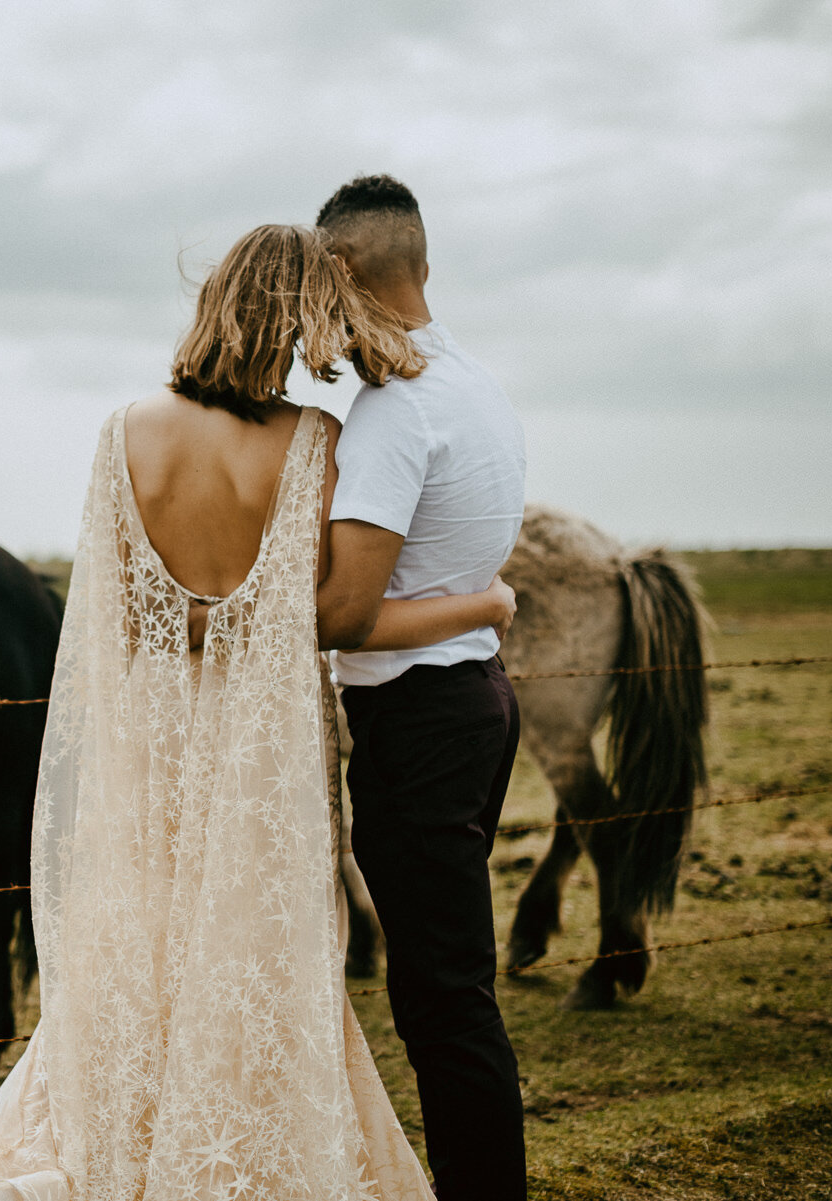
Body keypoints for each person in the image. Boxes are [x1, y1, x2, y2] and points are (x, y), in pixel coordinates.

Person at [0, 224, 513, 1201]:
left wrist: (193, 625)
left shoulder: (126, 431)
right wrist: (489, 603)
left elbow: (117, 609)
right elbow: (322, 614)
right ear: (295, 326)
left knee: (146, 944)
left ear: (210, 303)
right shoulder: (314, 440)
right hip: (258, 753)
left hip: (154, 738)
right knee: (256, 956)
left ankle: (124, 1144)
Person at [313, 174, 531, 1201]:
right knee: (453, 987)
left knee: (443, 1000)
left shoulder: (393, 415)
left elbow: (346, 617)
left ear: (345, 273)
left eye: (319, 285)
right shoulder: (475, 383)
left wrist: (486, 605)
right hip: (475, 707)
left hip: (420, 721)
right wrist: (482, 605)